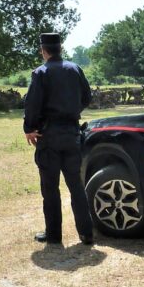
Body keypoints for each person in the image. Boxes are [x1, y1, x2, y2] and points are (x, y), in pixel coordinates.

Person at [24, 33, 94, 245]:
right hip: (72, 133)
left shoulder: (41, 73)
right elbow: (87, 97)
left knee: (50, 188)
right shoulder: (75, 69)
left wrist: (30, 128)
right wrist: (72, 111)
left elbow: (32, 104)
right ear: (60, 48)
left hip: (49, 135)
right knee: (76, 185)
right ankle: (86, 233)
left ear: (43, 50)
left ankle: (54, 235)